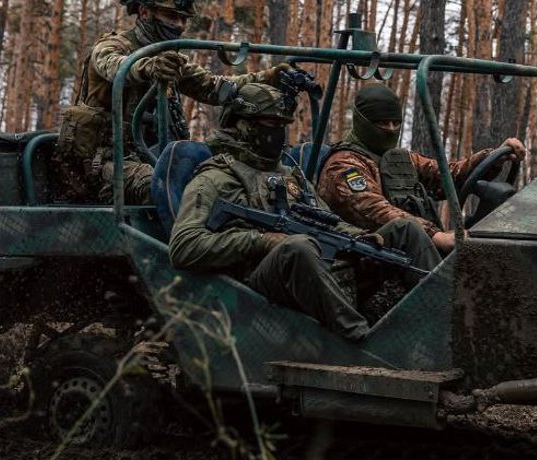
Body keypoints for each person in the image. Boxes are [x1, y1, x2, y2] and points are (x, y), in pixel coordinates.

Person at [168, 82, 440, 341]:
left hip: (320, 273)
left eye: (282, 125)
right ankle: (362, 343)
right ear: (241, 124)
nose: (277, 132)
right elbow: (184, 245)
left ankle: (443, 323)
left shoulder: (290, 176)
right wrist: (261, 241)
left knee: (405, 230)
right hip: (258, 288)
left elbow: (324, 219)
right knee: (298, 248)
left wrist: (357, 237)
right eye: (269, 124)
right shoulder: (214, 178)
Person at [54, 0, 284, 203]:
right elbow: (114, 66)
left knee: (218, 179)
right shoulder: (112, 46)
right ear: (144, 12)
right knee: (164, 185)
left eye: (184, 19)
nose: (179, 25)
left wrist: (271, 77)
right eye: (171, 16)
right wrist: (148, 66)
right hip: (104, 163)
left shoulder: (169, 58)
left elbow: (213, 87)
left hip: (151, 156)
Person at [317, 82, 526, 253]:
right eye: (382, 123)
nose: (391, 130)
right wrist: (435, 235)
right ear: (362, 122)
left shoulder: (400, 161)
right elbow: (372, 208)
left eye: (395, 123)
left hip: (411, 253)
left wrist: (494, 157)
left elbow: (449, 176)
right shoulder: (343, 164)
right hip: (367, 257)